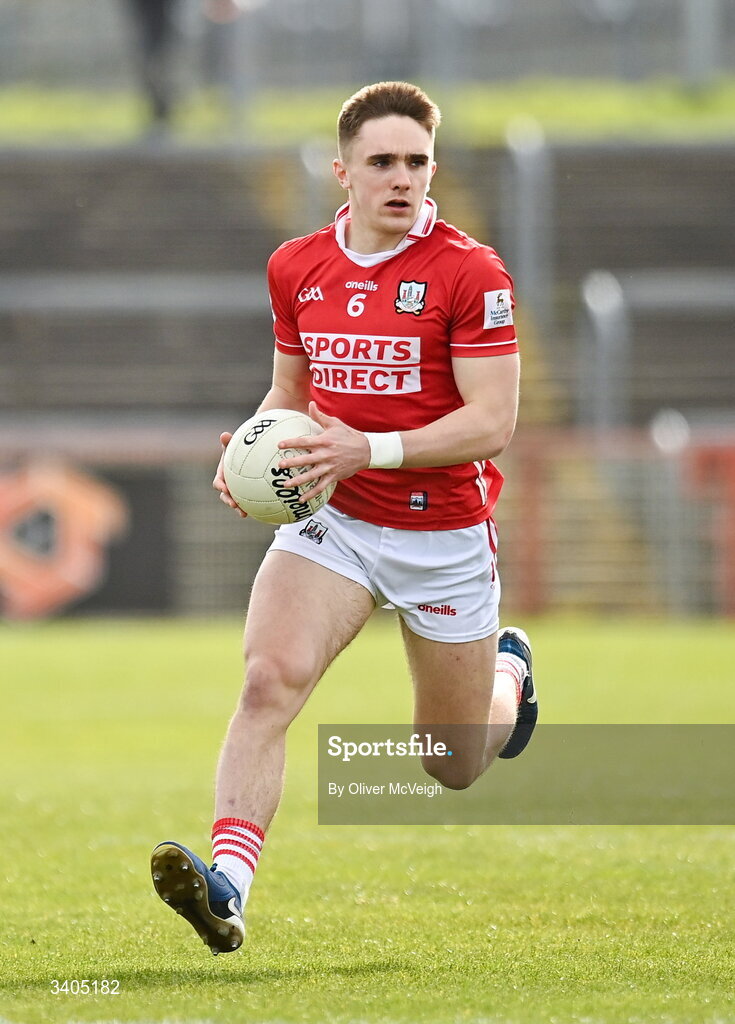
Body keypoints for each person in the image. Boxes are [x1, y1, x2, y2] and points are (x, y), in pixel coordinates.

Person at [150, 81, 538, 955]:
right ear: (343, 173)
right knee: (265, 681)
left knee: (451, 764)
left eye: (416, 162)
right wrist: (251, 454)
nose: (402, 178)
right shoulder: (295, 266)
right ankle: (227, 887)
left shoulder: (472, 273)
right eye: (382, 162)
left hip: (442, 536)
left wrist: (374, 448)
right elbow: (290, 393)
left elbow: (493, 424)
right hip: (338, 522)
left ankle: (509, 674)